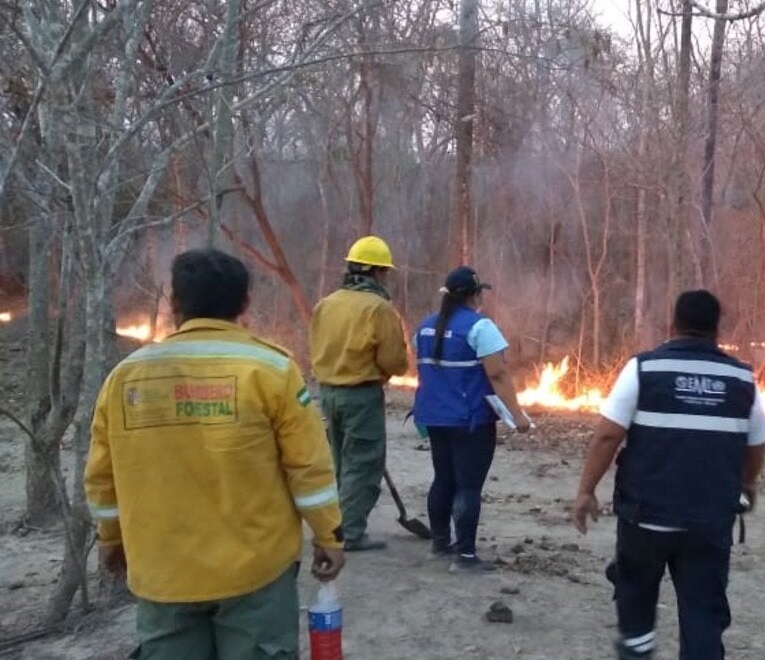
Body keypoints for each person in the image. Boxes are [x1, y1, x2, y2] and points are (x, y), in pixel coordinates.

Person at [84, 249, 345, 659]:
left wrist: (110, 539)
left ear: (175, 303)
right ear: (244, 304)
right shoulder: (271, 370)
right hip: (256, 573)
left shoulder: (125, 377)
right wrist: (329, 536)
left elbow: (102, 478)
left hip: (163, 571)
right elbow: (309, 467)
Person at [571, 290, 765, 660]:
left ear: (673, 324)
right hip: (709, 523)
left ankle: (637, 649)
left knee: (636, 596)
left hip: (645, 518)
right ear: (716, 330)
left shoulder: (644, 369)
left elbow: (607, 436)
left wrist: (586, 490)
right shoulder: (742, 378)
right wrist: (747, 483)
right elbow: (757, 444)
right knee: (703, 611)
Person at [411, 266, 534, 573]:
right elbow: (498, 374)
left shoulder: (425, 327)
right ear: (475, 295)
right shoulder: (481, 327)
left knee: (443, 478)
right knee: (468, 486)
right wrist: (517, 414)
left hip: (434, 417)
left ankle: (440, 544)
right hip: (469, 420)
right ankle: (465, 556)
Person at [309, 235, 410, 552]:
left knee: (339, 463)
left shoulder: (326, 304)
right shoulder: (378, 308)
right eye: (385, 272)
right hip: (361, 396)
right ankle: (349, 533)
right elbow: (394, 361)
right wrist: (386, 370)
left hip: (328, 394)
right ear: (378, 272)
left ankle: (332, 527)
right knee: (363, 464)